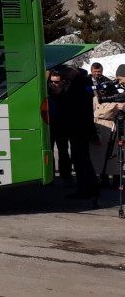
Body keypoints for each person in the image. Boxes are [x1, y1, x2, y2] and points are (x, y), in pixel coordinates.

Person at [55, 64, 98, 200]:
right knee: (83, 159)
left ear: (71, 72)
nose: (63, 79)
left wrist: (59, 94)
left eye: (64, 76)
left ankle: (85, 188)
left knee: (80, 159)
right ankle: (90, 187)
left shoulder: (79, 84)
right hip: (81, 127)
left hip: (78, 127)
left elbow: (74, 104)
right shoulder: (81, 82)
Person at [93, 64, 125, 188]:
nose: (120, 83)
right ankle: (104, 178)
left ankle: (116, 179)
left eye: (121, 79)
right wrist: (116, 106)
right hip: (106, 125)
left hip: (113, 125)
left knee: (116, 154)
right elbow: (98, 109)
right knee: (105, 154)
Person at [47, 71, 71, 184]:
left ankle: (66, 176)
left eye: (56, 82)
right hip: (49, 125)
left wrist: (60, 94)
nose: (53, 84)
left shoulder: (67, 92)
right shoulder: (47, 92)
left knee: (63, 151)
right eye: (51, 82)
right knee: (49, 150)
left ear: (62, 82)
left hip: (62, 125)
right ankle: (49, 176)